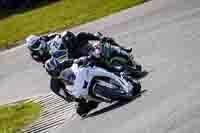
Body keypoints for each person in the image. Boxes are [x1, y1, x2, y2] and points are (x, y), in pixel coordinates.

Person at [25, 31, 132, 102]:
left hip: (70, 52)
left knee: (80, 36)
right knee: (54, 84)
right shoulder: (35, 55)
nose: (38, 46)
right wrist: (54, 69)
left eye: (37, 43)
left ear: (40, 40)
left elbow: (59, 35)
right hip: (63, 62)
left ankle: (113, 48)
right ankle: (75, 97)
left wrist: (65, 39)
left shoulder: (47, 38)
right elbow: (46, 64)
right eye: (34, 46)